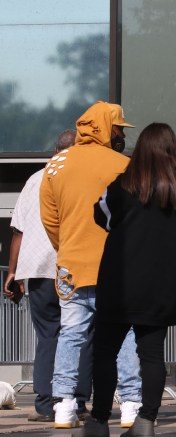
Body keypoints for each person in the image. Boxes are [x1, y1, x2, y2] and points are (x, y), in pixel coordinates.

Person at [83, 122, 176, 437]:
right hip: (161, 285)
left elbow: (100, 215)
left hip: (120, 283)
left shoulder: (122, 187)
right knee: (152, 355)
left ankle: (99, 421)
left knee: (105, 351)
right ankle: (146, 421)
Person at [39, 101, 142, 429]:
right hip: (117, 266)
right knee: (125, 333)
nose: (120, 135)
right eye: (118, 129)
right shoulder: (123, 165)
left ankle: (65, 405)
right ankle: (130, 404)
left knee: (71, 333)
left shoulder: (56, 166)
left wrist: (67, 247)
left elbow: (50, 221)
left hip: (72, 265)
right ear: (106, 128)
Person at [2, 130, 91, 423]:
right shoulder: (85, 177)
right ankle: (76, 402)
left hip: (39, 270)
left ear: (54, 150)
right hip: (75, 268)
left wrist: (13, 271)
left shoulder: (35, 180)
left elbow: (19, 230)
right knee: (79, 335)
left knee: (48, 335)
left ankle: (43, 403)